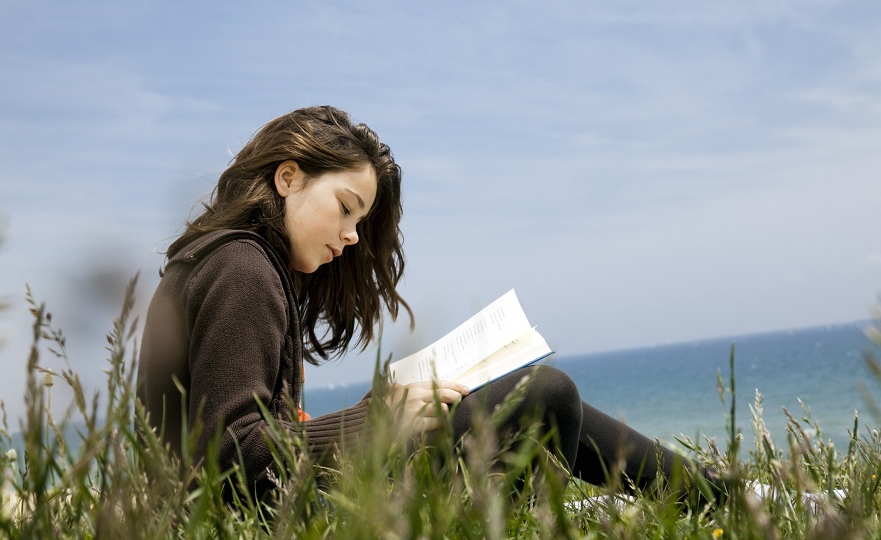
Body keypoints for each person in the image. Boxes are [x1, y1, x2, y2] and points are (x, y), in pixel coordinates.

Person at [137, 105, 717, 503]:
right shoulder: (242, 269)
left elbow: (240, 430)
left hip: (280, 507)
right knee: (544, 394)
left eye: (360, 221)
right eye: (345, 207)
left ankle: (725, 495)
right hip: (271, 521)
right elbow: (229, 454)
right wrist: (374, 423)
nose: (352, 237)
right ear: (288, 177)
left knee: (524, 395)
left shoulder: (228, 263)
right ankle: (725, 497)